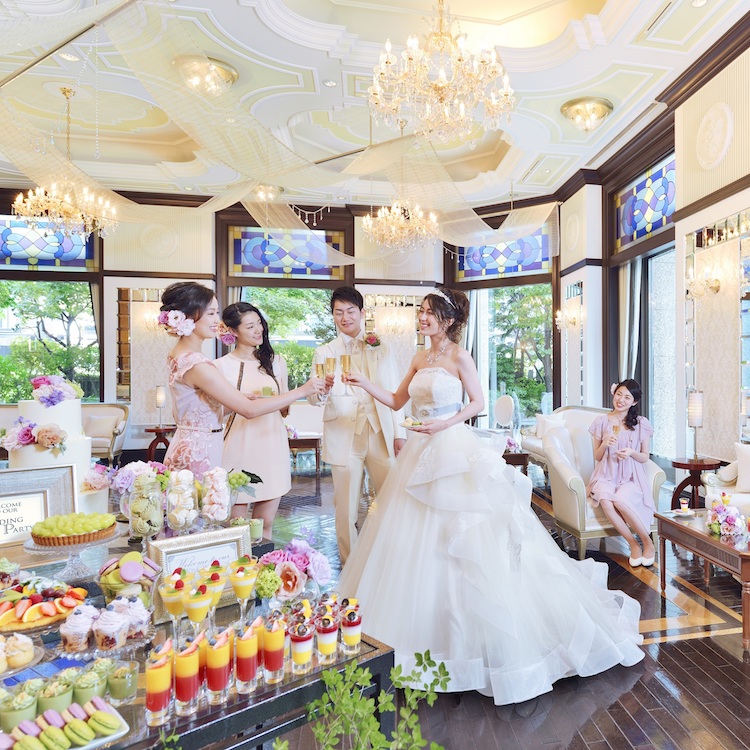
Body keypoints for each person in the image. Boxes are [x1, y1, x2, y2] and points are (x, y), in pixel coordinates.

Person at [338, 287, 644, 706]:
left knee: (467, 532)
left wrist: (444, 424)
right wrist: (364, 383)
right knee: (412, 538)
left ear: (448, 320)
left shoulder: (459, 356)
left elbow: (477, 403)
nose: (421, 318)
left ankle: (479, 644)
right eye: (421, 312)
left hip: (450, 444)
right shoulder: (418, 358)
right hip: (419, 451)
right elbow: (395, 400)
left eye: (428, 313)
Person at [159, 282, 324, 480]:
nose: (217, 320)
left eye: (216, 312)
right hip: (198, 453)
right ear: (187, 316)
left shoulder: (180, 355)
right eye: (210, 313)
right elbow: (249, 410)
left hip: (196, 444)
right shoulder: (196, 364)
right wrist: (303, 391)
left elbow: (198, 411)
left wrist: (235, 401)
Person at [308, 286, 406, 565]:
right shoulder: (324, 352)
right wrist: (324, 389)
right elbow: (314, 398)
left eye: (350, 311)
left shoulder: (381, 346)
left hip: (381, 432)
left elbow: (395, 391)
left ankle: (391, 561)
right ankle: (349, 565)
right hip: (343, 435)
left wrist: (399, 434)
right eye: (338, 312)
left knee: (393, 501)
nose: (345, 317)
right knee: (345, 509)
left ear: (362, 313)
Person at [215, 302, 291, 536]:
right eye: (250, 326)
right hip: (239, 447)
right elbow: (215, 414)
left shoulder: (277, 362)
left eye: (259, 323)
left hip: (272, 445)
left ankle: (264, 560)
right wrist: (241, 402)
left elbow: (285, 408)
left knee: (265, 523)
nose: (259, 330)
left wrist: (275, 401)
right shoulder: (220, 367)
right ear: (232, 331)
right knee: (236, 526)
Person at [588, 380, 655, 567]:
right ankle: (633, 544)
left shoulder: (641, 423)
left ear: (634, 402)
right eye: (619, 394)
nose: (621, 400)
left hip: (630, 476)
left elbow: (644, 457)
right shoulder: (601, 421)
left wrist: (631, 453)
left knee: (620, 501)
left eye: (627, 397)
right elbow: (597, 456)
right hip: (605, 474)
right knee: (606, 500)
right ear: (613, 394)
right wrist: (604, 444)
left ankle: (648, 543)